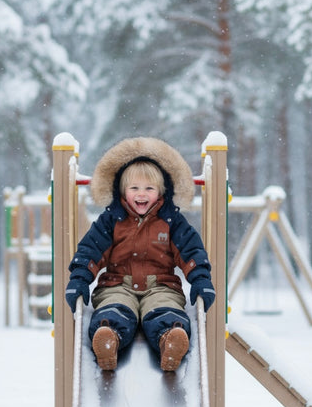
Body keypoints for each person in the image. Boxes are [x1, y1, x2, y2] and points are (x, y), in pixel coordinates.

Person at [65, 137, 215, 372]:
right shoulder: (111, 220)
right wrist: (80, 278)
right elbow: (90, 249)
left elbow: (191, 250)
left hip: (161, 286)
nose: (141, 194)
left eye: (149, 188)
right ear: (122, 191)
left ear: (161, 191)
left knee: (164, 311)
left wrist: (201, 279)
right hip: (116, 284)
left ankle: (170, 341)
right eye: (134, 188)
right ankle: (108, 340)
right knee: (114, 309)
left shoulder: (171, 222)